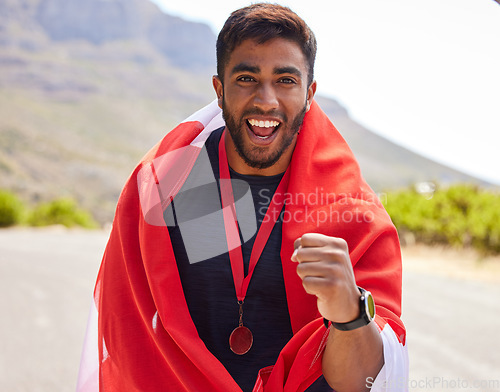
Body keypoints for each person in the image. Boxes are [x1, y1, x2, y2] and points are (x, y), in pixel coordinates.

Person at [77, 4, 408, 392]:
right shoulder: (184, 182)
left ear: (309, 94)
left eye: (285, 80)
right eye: (247, 78)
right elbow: (133, 337)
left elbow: (362, 383)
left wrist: (349, 314)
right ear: (219, 90)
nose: (265, 101)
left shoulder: (351, 212)